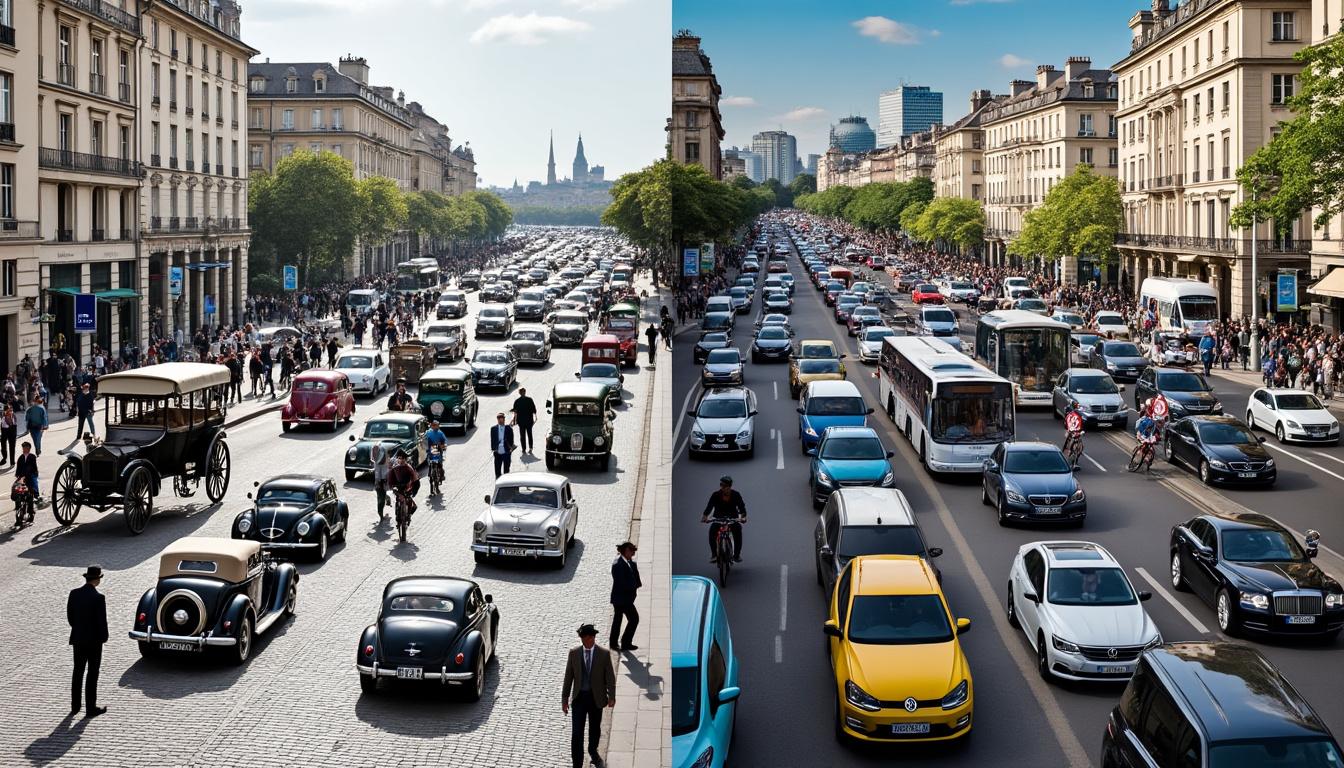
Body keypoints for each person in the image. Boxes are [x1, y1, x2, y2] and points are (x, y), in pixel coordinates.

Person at [562, 624, 615, 768]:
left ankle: (593, 751)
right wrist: (565, 698)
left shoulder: (603, 654)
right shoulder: (574, 653)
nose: (590, 639)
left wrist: (612, 696)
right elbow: (569, 677)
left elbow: (610, 677)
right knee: (577, 733)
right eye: (585, 637)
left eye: (591, 637)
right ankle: (577, 764)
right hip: (579, 698)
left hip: (596, 698)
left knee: (594, 729)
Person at [67, 565, 108, 718]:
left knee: (77, 671)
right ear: (97, 579)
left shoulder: (74, 594)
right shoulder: (98, 598)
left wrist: (78, 629)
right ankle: (90, 708)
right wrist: (104, 637)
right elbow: (101, 622)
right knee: (92, 673)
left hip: (78, 638)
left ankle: (75, 706)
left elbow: (70, 618)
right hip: (94, 641)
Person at [701, 475, 746, 562]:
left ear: (729, 486)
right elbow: (709, 507)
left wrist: (743, 518)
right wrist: (705, 517)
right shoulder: (715, 495)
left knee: (737, 530)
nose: (722, 487)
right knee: (712, 531)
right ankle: (714, 554)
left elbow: (742, 508)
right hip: (719, 518)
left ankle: (736, 555)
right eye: (721, 485)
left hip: (732, 518)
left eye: (724, 486)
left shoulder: (736, 495)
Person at [609, 541, 642, 652]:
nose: (633, 554)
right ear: (626, 551)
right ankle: (623, 643)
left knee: (618, 620)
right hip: (621, 599)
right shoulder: (618, 564)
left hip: (625, 598)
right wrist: (633, 586)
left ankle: (620, 643)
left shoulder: (628, 561)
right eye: (631, 551)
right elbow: (622, 583)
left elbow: (634, 573)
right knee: (633, 619)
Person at [386, 449, 419, 518]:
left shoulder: (409, 468)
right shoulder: (394, 468)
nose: (401, 460)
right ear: (397, 459)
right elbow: (390, 479)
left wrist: (413, 491)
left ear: (406, 459)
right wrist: (391, 486)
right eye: (399, 458)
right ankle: (398, 514)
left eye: (403, 458)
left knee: (410, 501)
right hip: (397, 487)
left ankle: (409, 515)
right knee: (397, 501)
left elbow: (415, 480)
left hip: (407, 487)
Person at [511, 388, 538, 454]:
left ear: (519, 393)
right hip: (529, 421)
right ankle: (530, 447)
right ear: (525, 392)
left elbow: (515, 411)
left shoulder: (517, 401)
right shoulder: (529, 400)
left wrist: (514, 420)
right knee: (529, 434)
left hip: (521, 421)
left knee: (522, 435)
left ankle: (523, 449)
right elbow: (534, 410)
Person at [489, 412, 515, 478]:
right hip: (497, 453)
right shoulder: (493, 429)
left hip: (506, 452)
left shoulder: (508, 429)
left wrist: (510, 450)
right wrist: (494, 449)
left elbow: (511, 440)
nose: (500, 420)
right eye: (498, 418)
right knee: (497, 472)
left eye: (501, 418)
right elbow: (492, 440)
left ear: (504, 419)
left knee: (506, 472)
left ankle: (506, 485)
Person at [370, 441, 390, 519]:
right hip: (378, 481)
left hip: (384, 480)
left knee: (382, 494)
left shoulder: (385, 457)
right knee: (379, 496)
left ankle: (386, 499)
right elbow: (376, 470)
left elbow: (386, 469)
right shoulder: (375, 460)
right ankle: (380, 511)